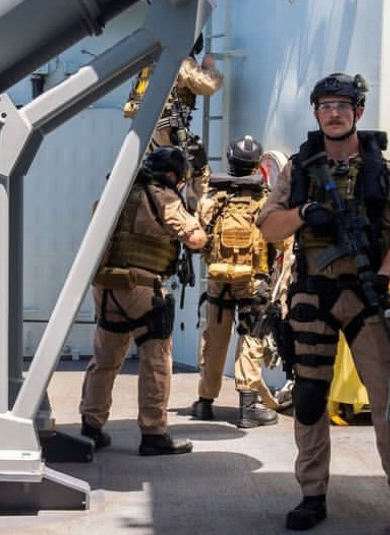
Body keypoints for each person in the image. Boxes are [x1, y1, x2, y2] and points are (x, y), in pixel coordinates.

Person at [257, 73, 390, 530]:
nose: (334, 113)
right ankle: (312, 494)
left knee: (388, 401)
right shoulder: (299, 170)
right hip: (313, 294)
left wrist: (383, 277)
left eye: (343, 105)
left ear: (359, 111)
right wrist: (303, 213)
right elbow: (268, 227)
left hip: (366, 298)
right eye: (325, 106)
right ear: (317, 112)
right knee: (308, 397)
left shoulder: (385, 172)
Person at [79, 146, 207, 455]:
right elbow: (194, 239)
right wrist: (198, 224)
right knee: (156, 360)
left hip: (107, 287)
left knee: (105, 360)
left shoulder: (117, 192)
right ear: (175, 175)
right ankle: (153, 433)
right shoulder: (163, 196)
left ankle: (91, 428)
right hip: (142, 289)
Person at [192, 135, 289, 428]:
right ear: (258, 164)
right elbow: (283, 242)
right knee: (251, 337)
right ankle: (248, 406)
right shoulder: (265, 201)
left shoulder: (211, 199)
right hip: (253, 281)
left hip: (217, 280)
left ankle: (205, 402)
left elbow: (198, 233)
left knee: (214, 337)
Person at [124, 35, 223, 209]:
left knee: (159, 174)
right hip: (168, 130)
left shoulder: (153, 60)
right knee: (197, 170)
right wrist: (210, 68)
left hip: (147, 130)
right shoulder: (180, 59)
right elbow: (206, 85)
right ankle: (195, 217)